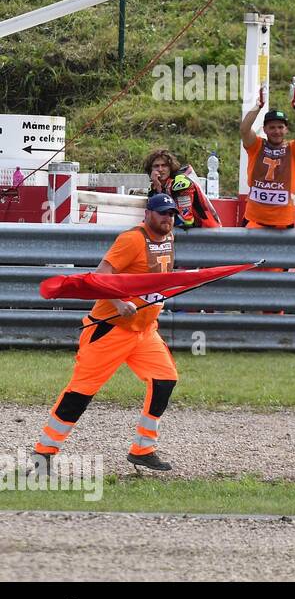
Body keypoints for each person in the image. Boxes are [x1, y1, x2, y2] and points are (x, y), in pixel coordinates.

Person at [30, 193, 183, 475]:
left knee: (165, 380)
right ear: (147, 214)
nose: (167, 218)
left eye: (171, 213)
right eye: (162, 213)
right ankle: (44, 453)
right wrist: (118, 302)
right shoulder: (131, 240)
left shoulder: (169, 238)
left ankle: (143, 449)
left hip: (145, 332)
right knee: (80, 393)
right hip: (109, 330)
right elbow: (100, 275)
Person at [239, 82, 295, 229]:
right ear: (265, 129)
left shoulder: (293, 149)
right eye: (272, 127)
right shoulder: (256, 146)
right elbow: (244, 130)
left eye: (280, 127)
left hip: (283, 223)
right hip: (254, 220)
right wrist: (258, 106)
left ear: (286, 130)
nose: (276, 131)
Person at [145, 148, 219, 229]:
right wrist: (157, 187)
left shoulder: (180, 183)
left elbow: (185, 221)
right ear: (150, 169)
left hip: (205, 229)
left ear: (170, 167)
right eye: (156, 166)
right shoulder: (156, 186)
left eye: (164, 165)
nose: (160, 169)